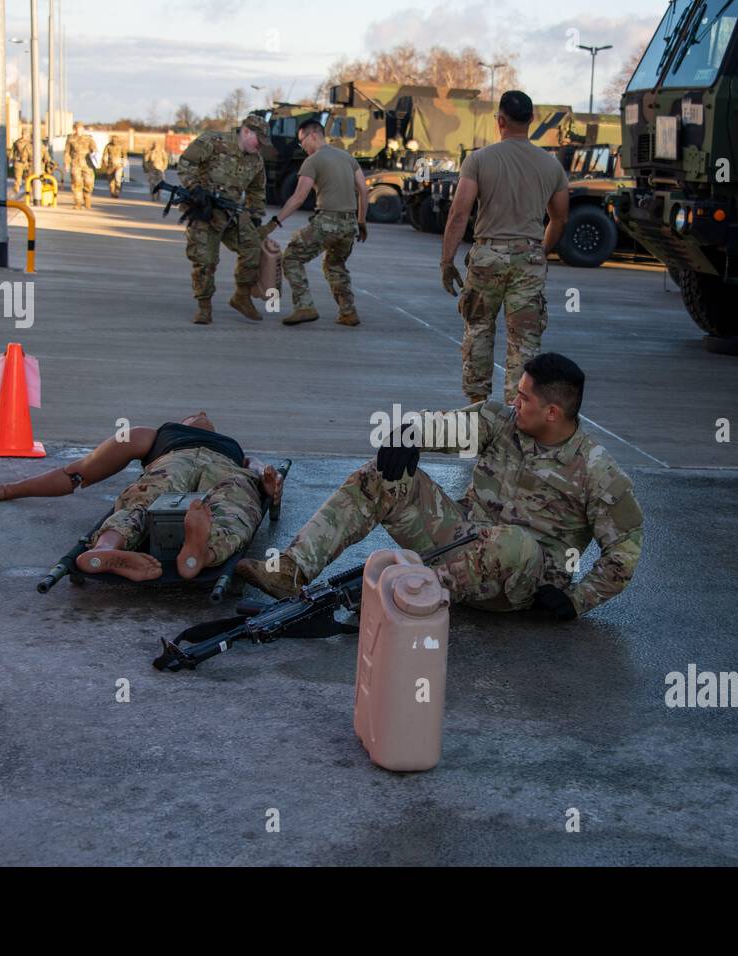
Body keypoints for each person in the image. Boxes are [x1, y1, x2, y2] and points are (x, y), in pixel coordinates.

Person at [238, 353, 642, 619]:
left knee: (512, 542)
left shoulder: (596, 470)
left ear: (552, 412)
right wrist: (408, 433)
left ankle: (402, 600)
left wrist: (576, 601)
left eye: (524, 399)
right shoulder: (499, 422)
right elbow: (446, 425)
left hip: (520, 583)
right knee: (385, 475)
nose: (514, 404)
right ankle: (292, 571)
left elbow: (625, 548)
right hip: (461, 545)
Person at [0, 412, 286, 582]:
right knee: (147, 499)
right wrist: (9, 489)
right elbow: (78, 473)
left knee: (233, 504)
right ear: (182, 420)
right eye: (195, 415)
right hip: (173, 460)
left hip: (227, 469)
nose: (202, 415)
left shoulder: (235, 449)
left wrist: (269, 480)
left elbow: (259, 474)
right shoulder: (155, 434)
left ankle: (198, 549)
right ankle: (107, 551)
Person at [441, 90, 569, 405]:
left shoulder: (479, 159)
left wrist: (447, 261)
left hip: (487, 257)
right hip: (529, 257)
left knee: (479, 329)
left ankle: (477, 405)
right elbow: (560, 218)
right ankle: (516, 411)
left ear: (500, 121)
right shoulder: (551, 166)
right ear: (532, 120)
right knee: (524, 341)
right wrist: (541, 252)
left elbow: (459, 214)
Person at [269, 117, 368, 327]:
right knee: (335, 264)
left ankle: (304, 306)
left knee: (292, 258)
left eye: (302, 141)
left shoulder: (312, 161)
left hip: (327, 222)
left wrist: (276, 221)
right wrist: (361, 222)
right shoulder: (348, 158)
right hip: (350, 224)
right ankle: (348, 312)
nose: (302, 146)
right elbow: (364, 190)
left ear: (313, 136)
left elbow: (298, 198)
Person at [176, 115, 270, 325]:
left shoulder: (256, 160)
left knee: (253, 250)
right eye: (259, 141)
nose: (260, 147)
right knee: (205, 260)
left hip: (232, 213)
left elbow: (257, 190)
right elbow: (185, 162)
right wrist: (195, 187)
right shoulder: (212, 142)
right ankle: (204, 306)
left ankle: (241, 297)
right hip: (205, 210)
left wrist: (255, 216)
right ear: (246, 132)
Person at [63, 121, 98, 209]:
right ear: (75, 129)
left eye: (81, 128)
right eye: (78, 128)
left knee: (89, 182)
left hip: (87, 164)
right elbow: (67, 152)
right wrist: (67, 163)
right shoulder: (70, 139)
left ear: (83, 129)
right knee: (76, 183)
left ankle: (87, 196)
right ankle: (78, 203)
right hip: (75, 163)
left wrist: (94, 152)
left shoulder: (88, 138)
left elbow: (94, 149)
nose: (79, 130)